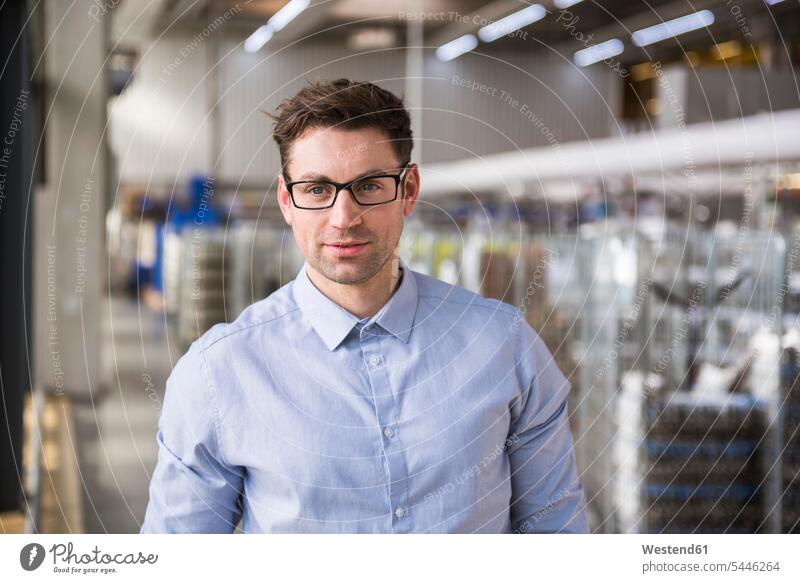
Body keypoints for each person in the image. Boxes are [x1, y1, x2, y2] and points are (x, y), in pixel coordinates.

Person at [141, 78, 588, 533]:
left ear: (408, 189)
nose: (343, 218)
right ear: (285, 200)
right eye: (316, 189)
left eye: (369, 186)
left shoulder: (505, 347)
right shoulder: (219, 373)